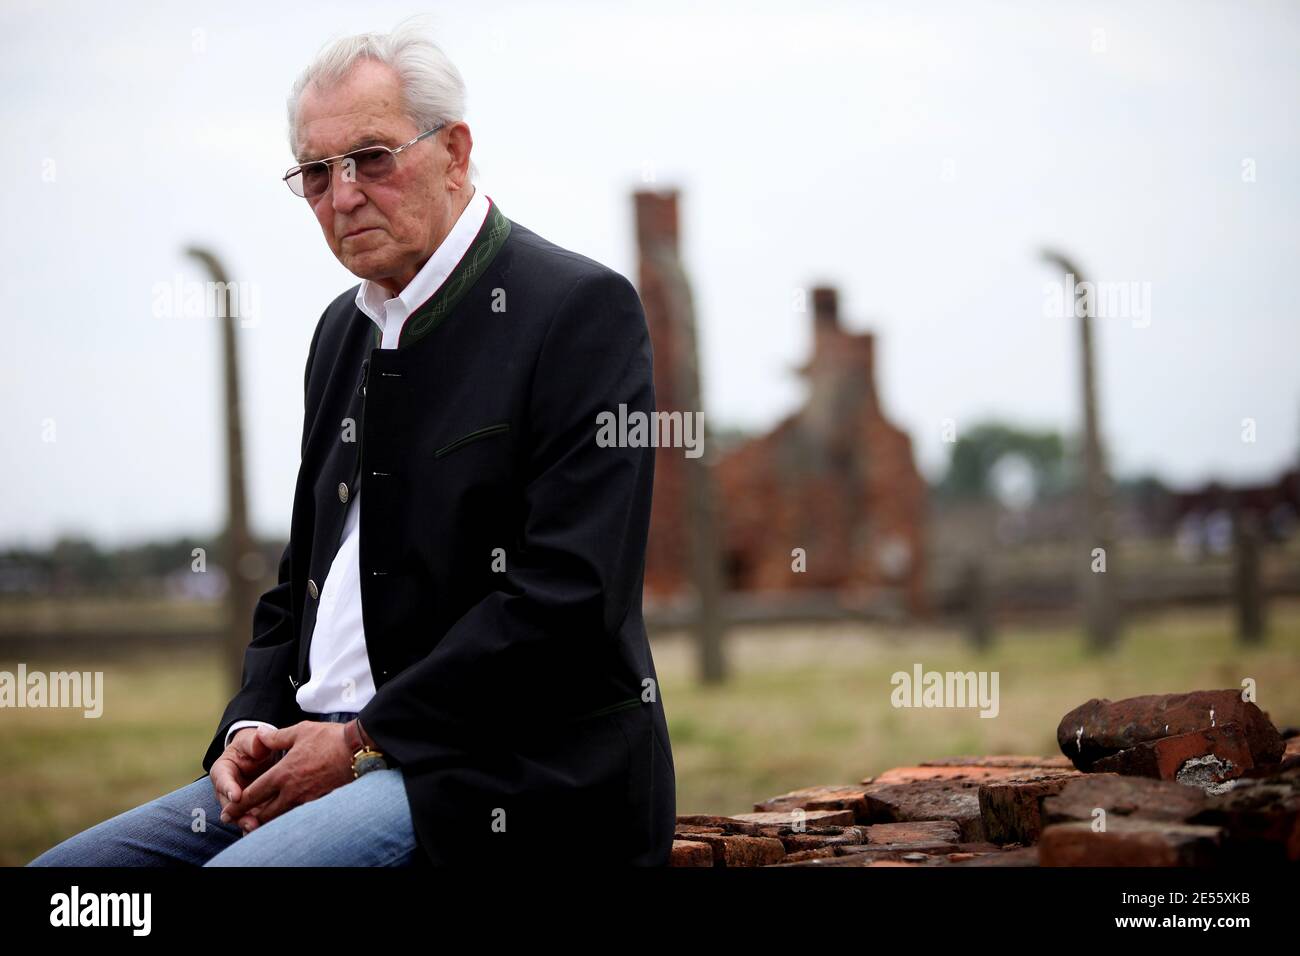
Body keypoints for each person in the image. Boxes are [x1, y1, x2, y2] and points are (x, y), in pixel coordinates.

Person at [29, 18, 675, 867]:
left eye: (373, 157)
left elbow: (569, 603)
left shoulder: (576, 310)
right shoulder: (344, 330)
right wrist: (252, 725)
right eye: (316, 172)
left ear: (454, 151)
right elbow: (298, 587)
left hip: (500, 774)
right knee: (68, 881)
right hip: (319, 750)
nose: (343, 196)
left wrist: (363, 739)